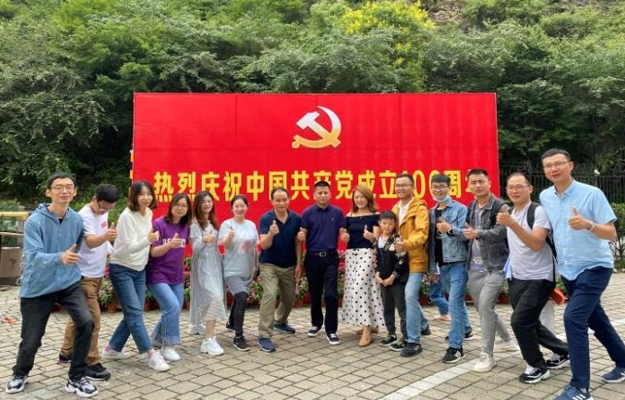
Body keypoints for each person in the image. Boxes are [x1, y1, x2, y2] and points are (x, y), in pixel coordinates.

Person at [539, 149, 625, 400]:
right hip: (569, 270)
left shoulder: (592, 193)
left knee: (573, 318)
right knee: (596, 320)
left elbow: (611, 233)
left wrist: (588, 224)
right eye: (548, 165)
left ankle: (580, 388)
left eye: (558, 164)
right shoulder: (545, 196)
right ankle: (623, 362)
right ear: (544, 171)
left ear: (571, 165)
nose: (554, 169)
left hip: (595, 267)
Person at [5, 173, 98, 397]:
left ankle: (76, 377)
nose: (64, 191)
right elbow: (33, 256)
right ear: (48, 192)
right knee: (32, 339)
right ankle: (20, 373)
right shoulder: (34, 222)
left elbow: (77, 248)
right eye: (58, 187)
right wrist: (60, 257)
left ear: (75, 192)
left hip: (68, 282)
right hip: (38, 286)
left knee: (86, 321)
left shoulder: (76, 220)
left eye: (69, 187)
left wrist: (68, 260)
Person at [496, 172, 569, 384]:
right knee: (529, 322)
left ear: (530, 189)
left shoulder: (538, 211)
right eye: (511, 187)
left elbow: (536, 244)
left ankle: (537, 366)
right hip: (517, 277)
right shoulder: (509, 212)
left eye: (519, 186)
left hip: (541, 277)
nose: (514, 190)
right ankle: (565, 351)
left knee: (519, 321)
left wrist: (512, 223)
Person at [103, 181, 170, 372]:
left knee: (134, 313)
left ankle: (112, 348)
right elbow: (131, 247)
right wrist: (148, 240)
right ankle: (151, 354)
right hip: (122, 268)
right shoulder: (127, 216)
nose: (146, 198)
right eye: (141, 194)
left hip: (140, 269)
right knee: (134, 314)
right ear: (134, 196)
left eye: (149, 194)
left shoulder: (148, 213)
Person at [58, 184, 119, 382]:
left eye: (109, 208)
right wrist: (106, 237)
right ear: (94, 199)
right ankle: (90, 362)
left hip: (97, 274)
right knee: (93, 320)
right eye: (103, 207)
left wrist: (111, 249)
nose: (105, 211)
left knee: (79, 316)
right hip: (83, 276)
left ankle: (67, 351)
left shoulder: (103, 211)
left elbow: (103, 238)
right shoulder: (83, 216)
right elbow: (91, 242)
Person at [463, 168, 517, 373]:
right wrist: (452, 230)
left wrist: (479, 233)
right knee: (483, 309)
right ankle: (507, 340)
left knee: (485, 306)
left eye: (481, 181)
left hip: (495, 266)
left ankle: (487, 355)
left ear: (489, 183)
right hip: (474, 266)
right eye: (473, 182)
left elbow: (502, 232)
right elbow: (467, 233)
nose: (477, 185)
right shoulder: (471, 206)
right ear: (468, 185)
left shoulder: (500, 206)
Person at [427, 174, 473, 364]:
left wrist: (450, 229)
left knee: (454, 303)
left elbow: (466, 234)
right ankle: (466, 329)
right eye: (435, 187)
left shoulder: (460, 209)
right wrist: (432, 267)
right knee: (456, 302)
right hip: (442, 264)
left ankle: (456, 347)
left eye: (441, 186)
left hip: (458, 262)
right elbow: (431, 243)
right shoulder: (431, 212)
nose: (438, 190)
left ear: (449, 187)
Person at [298, 181, 346, 345]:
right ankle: (316, 323)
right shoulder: (307, 213)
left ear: (330, 194)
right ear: (314, 195)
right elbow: (303, 232)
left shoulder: (337, 212)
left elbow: (342, 231)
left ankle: (331, 330)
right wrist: (301, 236)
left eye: (326, 193)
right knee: (315, 293)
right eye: (320, 193)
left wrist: (344, 236)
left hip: (330, 258)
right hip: (312, 258)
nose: (323, 195)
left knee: (331, 294)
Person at [146, 193, 192, 362]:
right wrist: (169, 245)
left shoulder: (185, 227)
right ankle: (168, 346)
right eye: (177, 204)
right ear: (171, 205)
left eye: (184, 206)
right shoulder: (159, 224)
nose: (180, 208)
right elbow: (153, 252)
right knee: (172, 306)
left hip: (176, 275)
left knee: (175, 308)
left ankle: (156, 338)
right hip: (157, 274)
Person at [257, 187, 303, 352]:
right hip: (269, 264)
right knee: (270, 295)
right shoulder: (266, 219)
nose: (281, 203)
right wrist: (271, 234)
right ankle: (264, 335)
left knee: (289, 297)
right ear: (272, 202)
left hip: (289, 265)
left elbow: (298, 242)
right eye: (278, 200)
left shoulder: (296, 218)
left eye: (284, 200)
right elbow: (263, 245)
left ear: (289, 200)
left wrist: (299, 263)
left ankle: (281, 322)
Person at [391, 173, 430, 357]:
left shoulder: (420, 208)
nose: (400, 188)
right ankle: (423, 324)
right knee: (407, 297)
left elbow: (422, 233)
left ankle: (414, 341)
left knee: (409, 296)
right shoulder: (395, 208)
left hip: (415, 259)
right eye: (397, 185)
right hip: (400, 261)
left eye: (404, 185)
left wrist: (406, 244)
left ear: (413, 187)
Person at [341, 185, 385, 347]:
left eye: (362, 197)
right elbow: (345, 235)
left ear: (368, 198)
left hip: (367, 254)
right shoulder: (349, 216)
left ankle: (367, 331)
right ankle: (371, 325)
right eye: (356, 197)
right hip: (352, 255)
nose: (359, 200)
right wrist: (344, 237)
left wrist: (371, 236)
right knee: (364, 290)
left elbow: (378, 240)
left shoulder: (375, 216)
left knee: (360, 289)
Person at [218, 195, 259, 352]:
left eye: (242, 206)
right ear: (232, 208)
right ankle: (238, 336)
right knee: (241, 297)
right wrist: (229, 236)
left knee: (239, 296)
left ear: (247, 207)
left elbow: (254, 247)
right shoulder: (227, 224)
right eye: (236, 206)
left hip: (247, 269)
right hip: (231, 269)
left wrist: (256, 266)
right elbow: (225, 246)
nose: (240, 208)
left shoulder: (251, 225)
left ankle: (232, 322)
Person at [188, 191, 226, 356]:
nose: (207, 204)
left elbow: (219, 243)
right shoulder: (195, 224)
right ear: (198, 204)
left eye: (209, 201)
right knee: (215, 298)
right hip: (203, 264)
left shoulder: (213, 222)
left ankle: (197, 325)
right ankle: (208, 340)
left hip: (215, 263)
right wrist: (204, 240)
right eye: (204, 202)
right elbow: (194, 248)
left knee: (213, 296)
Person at [375, 211, 408, 350]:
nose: (387, 226)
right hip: (383, 280)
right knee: (387, 308)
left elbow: (402, 261)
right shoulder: (379, 239)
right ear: (379, 223)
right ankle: (391, 334)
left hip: (397, 280)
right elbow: (378, 260)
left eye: (390, 223)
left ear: (395, 224)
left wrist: (392, 277)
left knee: (402, 309)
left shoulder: (397, 239)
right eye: (384, 223)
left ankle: (406, 337)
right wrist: (377, 274)